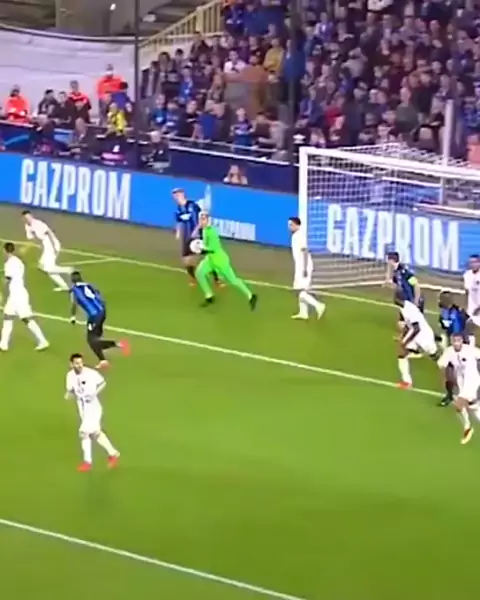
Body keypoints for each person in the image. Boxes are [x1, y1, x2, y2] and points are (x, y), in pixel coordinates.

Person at [65, 353, 120, 472]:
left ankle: (87, 462)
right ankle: (113, 454)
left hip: (93, 407)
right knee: (96, 434)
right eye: (76, 363)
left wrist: (94, 393)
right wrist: (68, 394)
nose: (79, 365)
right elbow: (71, 390)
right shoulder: (70, 376)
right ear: (71, 364)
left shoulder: (90, 373)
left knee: (83, 432)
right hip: (82, 409)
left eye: (81, 362)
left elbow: (103, 383)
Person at [195, 211, 257, 309]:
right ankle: (209, 296)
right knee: (199, 273)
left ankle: (251, 296)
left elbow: (213, 248)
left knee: (233, 280)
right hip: (210, 259)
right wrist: (200, 247)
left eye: (204, 219)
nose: (202, 221)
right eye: (200, 219)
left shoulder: (212, 232)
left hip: (220, 260)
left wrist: (201, 249)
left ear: (208, 220)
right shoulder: (204, 230)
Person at [70, 271, 130, 369]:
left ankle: (117, 345)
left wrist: (73, 317)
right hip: (102, 312)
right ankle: (104, 359)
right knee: (95, 339)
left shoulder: (75, 290)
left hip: (94, 316)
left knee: (92, 341)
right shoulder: (89, 285)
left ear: (72, 280)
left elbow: (74, 303)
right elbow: (99, 296)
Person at [0, 242, 49, 351]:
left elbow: (7, 279)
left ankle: (43, 341)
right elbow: (21, 254)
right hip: (19, 293)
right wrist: (28, 246)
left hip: (17, 295)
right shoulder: (18, 260)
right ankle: (3, 344)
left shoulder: (9, 263)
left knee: (25, 319)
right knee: (9, 317)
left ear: (5, 250)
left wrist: (1, 291)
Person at [437, 334, 480, 445]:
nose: (456, 342)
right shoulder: (449, 351)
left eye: (458, 340)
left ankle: (467, 427)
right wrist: (444, 378)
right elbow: (442, 365)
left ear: (462, 341)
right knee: (472, 405)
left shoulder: (470, 350)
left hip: (472, 379)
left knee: (458, 405)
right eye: (454, 340)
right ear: (451, 341)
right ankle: (469, 425)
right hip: (461, 380)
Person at [173, 188, 220, 287]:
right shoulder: (178, 209)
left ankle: (217, 279)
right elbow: (179, 222)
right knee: (186, 260)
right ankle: (193, 278)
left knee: (206, 257)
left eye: (178, 195)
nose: (176, 197)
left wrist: (196, 230)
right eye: (175, 196)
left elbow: (201, 219)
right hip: (186, 236)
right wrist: (178, 232)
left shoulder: (192, 206)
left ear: (183, 194)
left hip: (197, 236)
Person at [395, 291, 439, 389]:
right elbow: (408, 325)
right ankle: (407, 381)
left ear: (398, 299)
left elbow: (416, 328)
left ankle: (453, 369)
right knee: (402, 354)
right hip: (415, 335)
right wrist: (403, 337)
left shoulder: (410, 310)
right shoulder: (402, 307)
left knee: (436, 357)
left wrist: (405, 341)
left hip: (424, 336)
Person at [22, 211, 72, 291]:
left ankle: (68, 270)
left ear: (32, 216)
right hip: (45, 245)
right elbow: (32, 239)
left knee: (47, 267)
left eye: (29, 217)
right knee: (44, 267)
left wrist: (54, 246)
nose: (28, 219)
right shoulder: (27, 226)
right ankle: (64, 286)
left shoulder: (38, 223)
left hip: (51, 244)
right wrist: (26, 248)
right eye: (26, 218)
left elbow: (49, 233)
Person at [288, 217, 325, 320]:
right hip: (299, 266)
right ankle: (303, 313)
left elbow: (305, 252)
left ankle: (319, 305)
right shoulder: (295, 235)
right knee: (299, 290)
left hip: (304, 267)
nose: (289, 227)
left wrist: (304, 268)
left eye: (291, 225)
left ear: (297, 225)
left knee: (301, 292)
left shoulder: (300, 236)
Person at [463, 254, 480, 345]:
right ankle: (471, 347)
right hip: (471, 309)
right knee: (469, 329)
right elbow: (467, 291)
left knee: (469, 326)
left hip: (478, 309)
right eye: (471, 262)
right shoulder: (467, 275)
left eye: (475, 262)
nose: (473, 264)